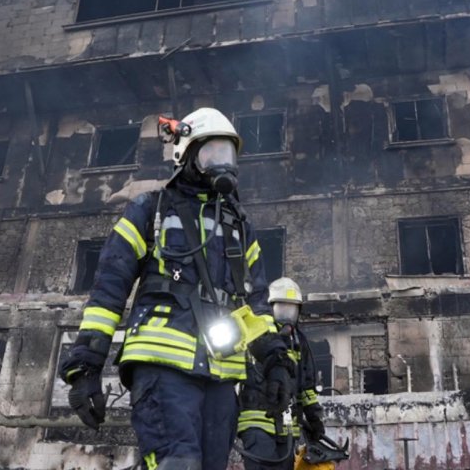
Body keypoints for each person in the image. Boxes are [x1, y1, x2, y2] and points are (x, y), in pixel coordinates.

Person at [58, 108, 295, 470]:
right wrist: (86, 366)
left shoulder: (239, 228)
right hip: (161, 364)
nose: (223, 164)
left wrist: (276, 362)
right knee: (177, 463)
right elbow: (109, 289)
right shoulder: (150, 210)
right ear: (186, 153)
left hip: (220, 374)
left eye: (228, 154)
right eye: (212, 153)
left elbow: (256, 307)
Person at [237, 277, 326, 470]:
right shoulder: (258, 333)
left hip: (287, 426)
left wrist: (314, 418)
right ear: (270, 308)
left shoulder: (298, 341)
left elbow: (306, 385)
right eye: (282, 309)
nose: (287, 316)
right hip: (256, 421)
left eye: (291, 310)